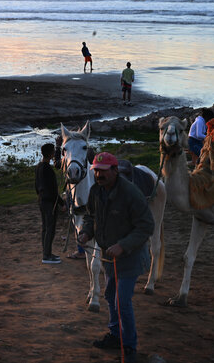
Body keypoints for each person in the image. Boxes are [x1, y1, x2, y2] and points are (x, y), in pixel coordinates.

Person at [78, 152, 154, 363]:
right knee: (111, 296)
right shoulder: (95, 191)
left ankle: (129, 345)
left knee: (121, 300)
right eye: (95, 171)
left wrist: (123, 245)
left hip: (130, 257)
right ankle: (115, 335)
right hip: (109, 258)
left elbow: (147, 225)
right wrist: (86, 232)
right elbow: (90, 216)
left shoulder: (131, 193)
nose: (98, 175)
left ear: (114, 170)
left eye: (103, 171)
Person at [35, 143, 64, 264]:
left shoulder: (39, 166)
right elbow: (52, 189)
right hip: (49, 202)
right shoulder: (46, 168)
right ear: (51, 154)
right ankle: (46, 255)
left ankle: (47, 252)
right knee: (49, 229)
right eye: (54, 152)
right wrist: (61, 203)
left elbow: (37, 186)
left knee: (45, 228)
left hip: (42, 200)